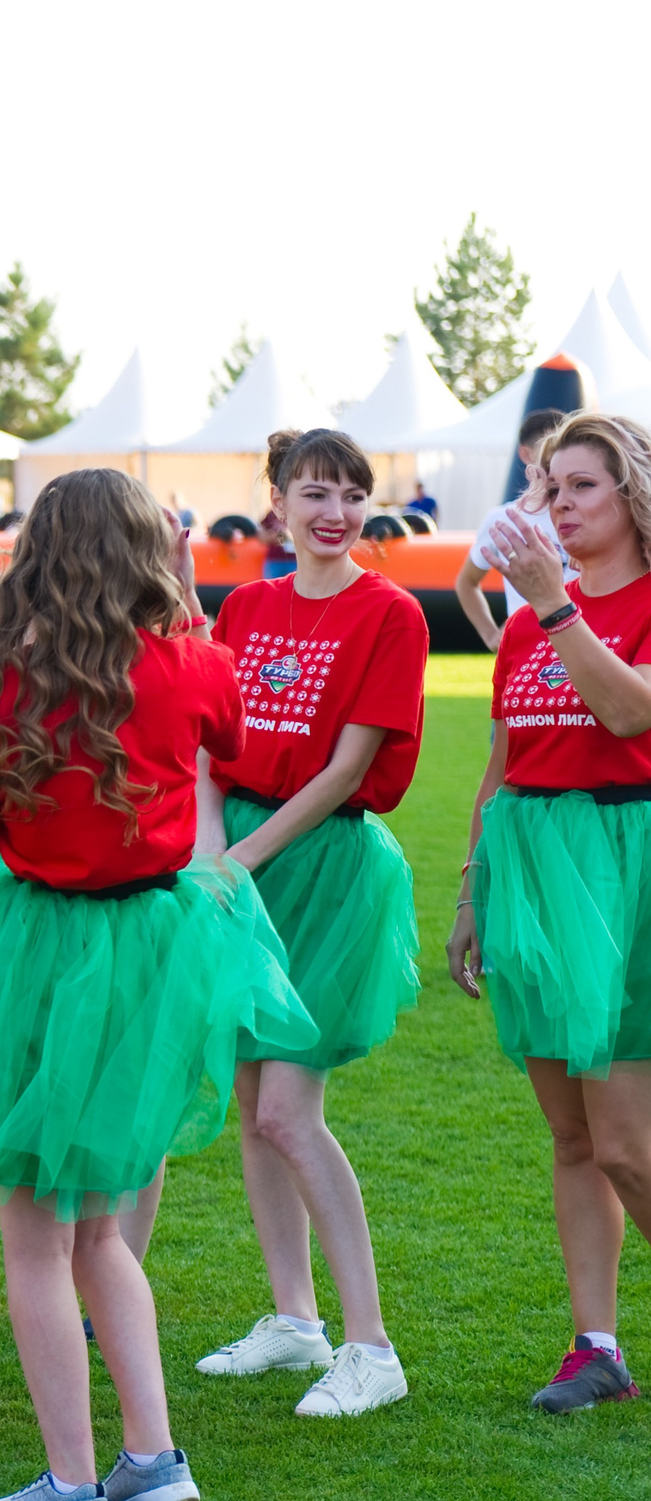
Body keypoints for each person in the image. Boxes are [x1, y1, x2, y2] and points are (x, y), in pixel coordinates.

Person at [0, 467, 311, 1501]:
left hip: (35, 950)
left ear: (36, 551)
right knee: (102, 1231)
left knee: (33, 1234)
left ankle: (71, 1489)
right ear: (149, 552)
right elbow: (241, 753)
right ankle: (151, 1458)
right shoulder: (193, 662)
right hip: (151, 950)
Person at [195, 428, 425, 1417]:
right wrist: (211, 849)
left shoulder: (392, 614)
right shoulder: (244, 605)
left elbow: (343, 769)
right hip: (238, 861)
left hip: (322, 865)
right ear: (277, 502)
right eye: (316, 493)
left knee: (290, 1110)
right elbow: (205, 739)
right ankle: (293, 1322)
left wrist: (243, 858)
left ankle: (371, 1346)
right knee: (253, 1110)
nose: (335, 513)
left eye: (351, 496)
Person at [448, 411, 651, 1413]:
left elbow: (628, 713)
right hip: (528, 871)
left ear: (632, 498)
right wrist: (471, 892)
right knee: (571, 1141)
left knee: (627, 1145)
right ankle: (595, 1347)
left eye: (581, 486)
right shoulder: (523, 623)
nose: (557, 505)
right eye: (546, 485)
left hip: (627, 871)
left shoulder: (597, 606)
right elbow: (502, 762)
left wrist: (557, 609)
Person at [454, 410, 573, 652]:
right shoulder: (503, 519)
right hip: (527, 648)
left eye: (562, 448)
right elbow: (466, 582)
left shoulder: (582, 512)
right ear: (525, 454)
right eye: (547, 449)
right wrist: (490, 634)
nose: (555, 459)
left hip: (586, 641)